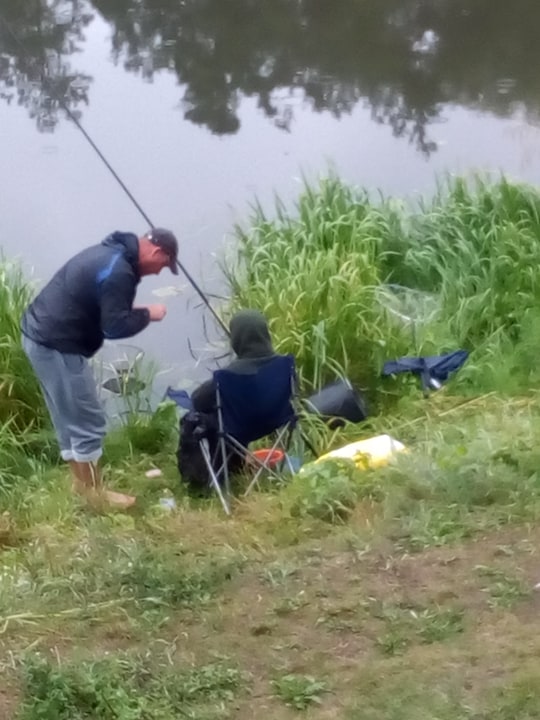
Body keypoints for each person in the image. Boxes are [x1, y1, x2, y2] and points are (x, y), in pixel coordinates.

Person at [21, 227, 179, 509]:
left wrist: (132, 311)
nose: (158, 272)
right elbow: (115, 327)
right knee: (88, 420)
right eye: (164, 265)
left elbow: (108, 309)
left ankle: (81, 486)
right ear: (157, 252)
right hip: (58, 345)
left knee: (67, 418)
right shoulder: (120, 272)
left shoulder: (110, 253)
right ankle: (96, 495)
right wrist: (148, 314)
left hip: (39, 337)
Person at [177, 309, 276, 490]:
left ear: (237, 339)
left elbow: (198, 400)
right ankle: (236, 465)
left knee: (197, 419)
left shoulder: (229, 375)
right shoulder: (284, 365)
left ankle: (204, 479)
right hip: (273, 421)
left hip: (238, 429)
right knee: (226, 416)